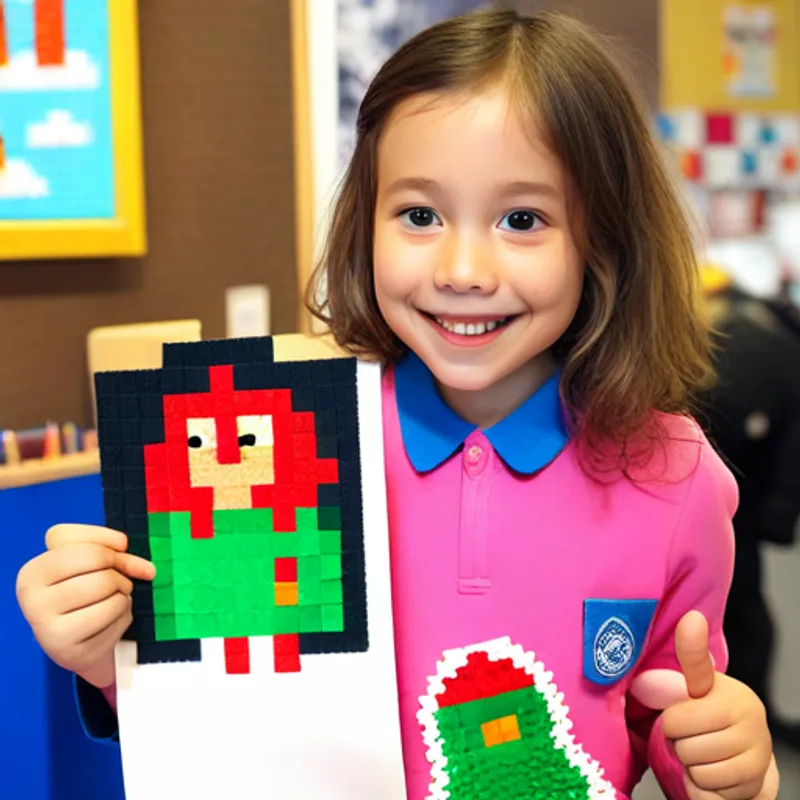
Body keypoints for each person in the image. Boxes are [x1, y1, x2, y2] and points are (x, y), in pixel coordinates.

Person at [16, 10, 779, 800]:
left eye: (523, 219)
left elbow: (677, 720)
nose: (463, 269)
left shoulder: (674, 476)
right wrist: (105, 651)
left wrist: (726, 761)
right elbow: (224, 686)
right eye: (420, 216)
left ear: (604, 241)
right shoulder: (284, 449)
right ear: (365, 224)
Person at [699, 268, 800, 750]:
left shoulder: (724, 335)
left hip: (720, 497)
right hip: (737, 501)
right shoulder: (771, 341)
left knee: (732, 613)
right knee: (740, 614)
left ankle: (742, 716)